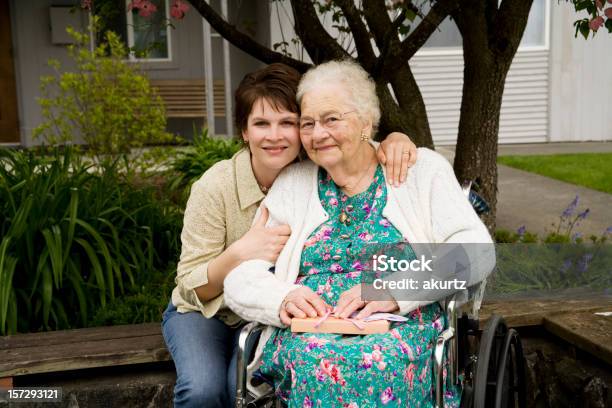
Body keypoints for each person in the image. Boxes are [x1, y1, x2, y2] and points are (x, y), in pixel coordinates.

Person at [223, 60, 496, 407]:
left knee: (373, 360)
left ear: (366, 121)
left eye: (331, 119)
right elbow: (241, 276)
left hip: (401, 327)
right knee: (315, 360)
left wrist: (392, 290)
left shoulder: (421, 171)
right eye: (308, 123)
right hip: (309, 334)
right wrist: (283, 299)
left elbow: (477, 251)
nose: (318, 133)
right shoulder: (293, 185)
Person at [161, 63, 418, 408]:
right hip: (207, 310)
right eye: (261, 124)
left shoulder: (315, 168)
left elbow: (356, 144)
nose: (275, 135)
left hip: (264, 312)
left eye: (289, 123)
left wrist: (395, 140)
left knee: (248, 385)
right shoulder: (216, 187)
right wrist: (240, 252)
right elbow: (192, 286)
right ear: (244, 131)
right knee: (203, 390)